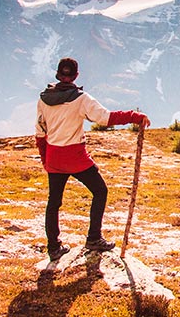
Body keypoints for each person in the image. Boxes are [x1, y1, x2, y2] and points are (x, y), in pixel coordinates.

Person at [35, 57, 150, 261]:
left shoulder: (44, 99)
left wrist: (46, 160)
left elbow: (40, 134)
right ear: (76, 76)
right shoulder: (81, 99)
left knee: (53, 202)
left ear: (58, 74)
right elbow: (105, 118)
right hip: (76, 157)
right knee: (100, 191)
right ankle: (93, 238)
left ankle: (53, 247)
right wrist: (134, 116)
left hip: (54, 157)